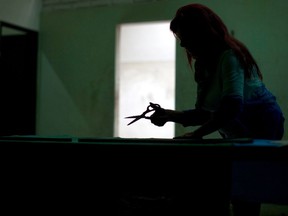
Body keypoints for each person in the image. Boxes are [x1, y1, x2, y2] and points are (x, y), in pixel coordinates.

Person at [150, 3, 285, 216]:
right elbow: (206, 113)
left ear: (202, 33)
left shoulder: (230, 57)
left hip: (262, 131)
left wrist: (196, 134)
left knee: (245, 197)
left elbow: (231, 107)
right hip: (234, 132)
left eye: (185, 36)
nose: (182, 44)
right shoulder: (203, 66)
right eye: (179, 38)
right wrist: (170, 115)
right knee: (234, 194)